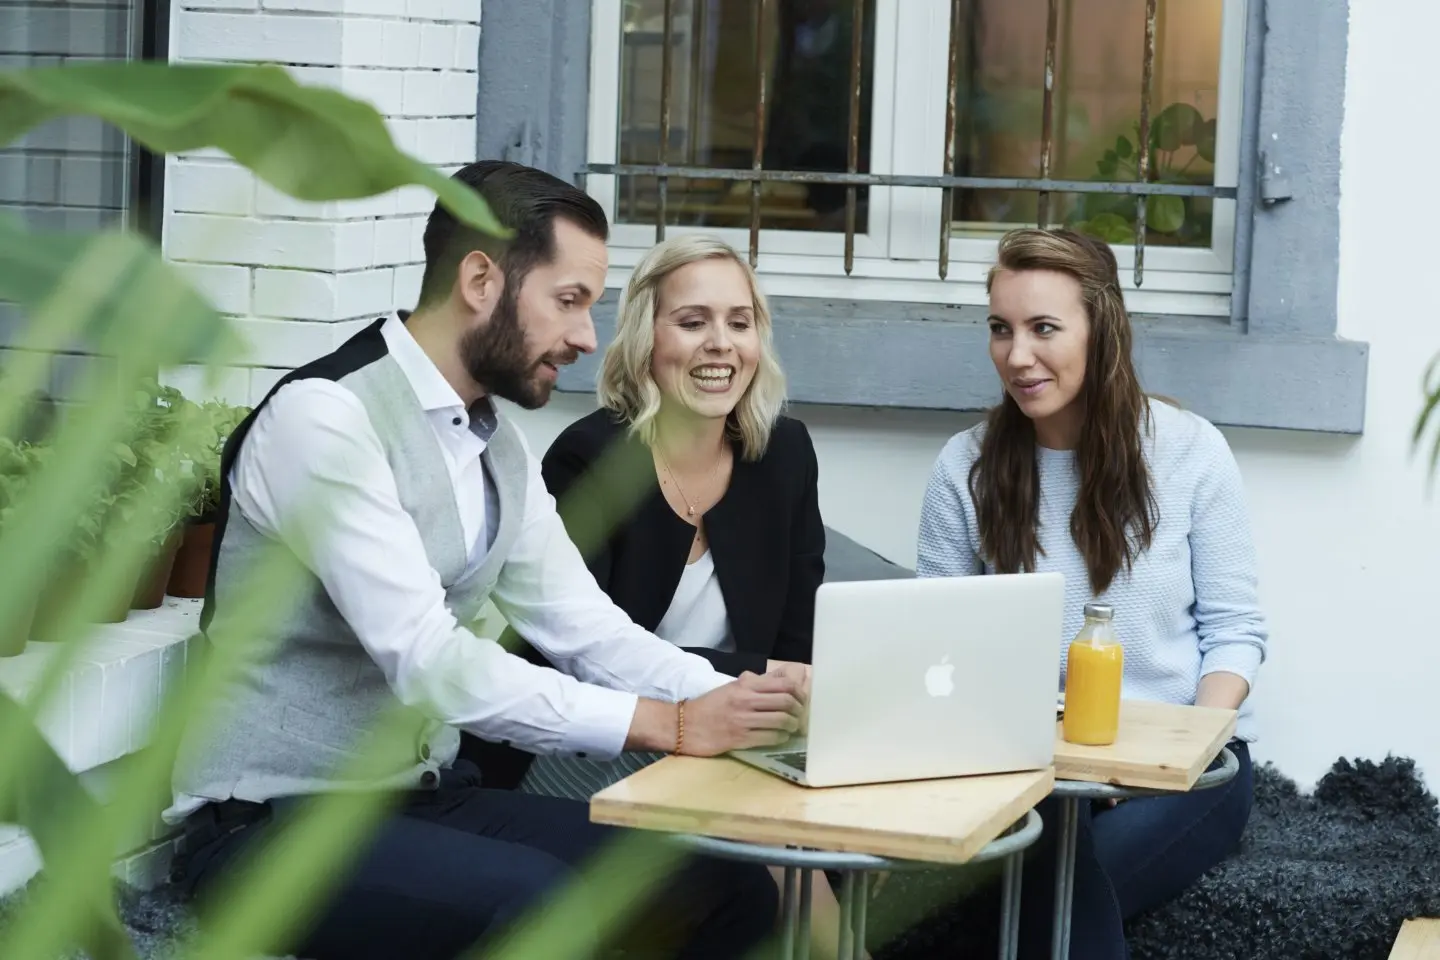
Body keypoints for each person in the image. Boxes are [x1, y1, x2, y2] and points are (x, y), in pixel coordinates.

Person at [164, 161, 807, 960]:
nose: (586, 338)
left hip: (424, 801)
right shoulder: (325, 420)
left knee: (718, 877)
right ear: (480, 280)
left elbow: (589, 631)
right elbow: (429, 660)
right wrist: (670, 726)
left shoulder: (495, 446)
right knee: (535, 906)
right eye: (569, 301)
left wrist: (758, 700)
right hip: (270, 825)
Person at [914, 227, 1267, 959]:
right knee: (1042, 862)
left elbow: (1236, 631)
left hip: (1184, 773)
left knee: (1039, 887)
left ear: (1101, 328)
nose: (1017, 355)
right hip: (1031, 778)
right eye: (1000, 329)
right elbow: (936, 648)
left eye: (1044, 328)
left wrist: (1175, 755)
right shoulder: (966, 468)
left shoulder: (1190, 451)